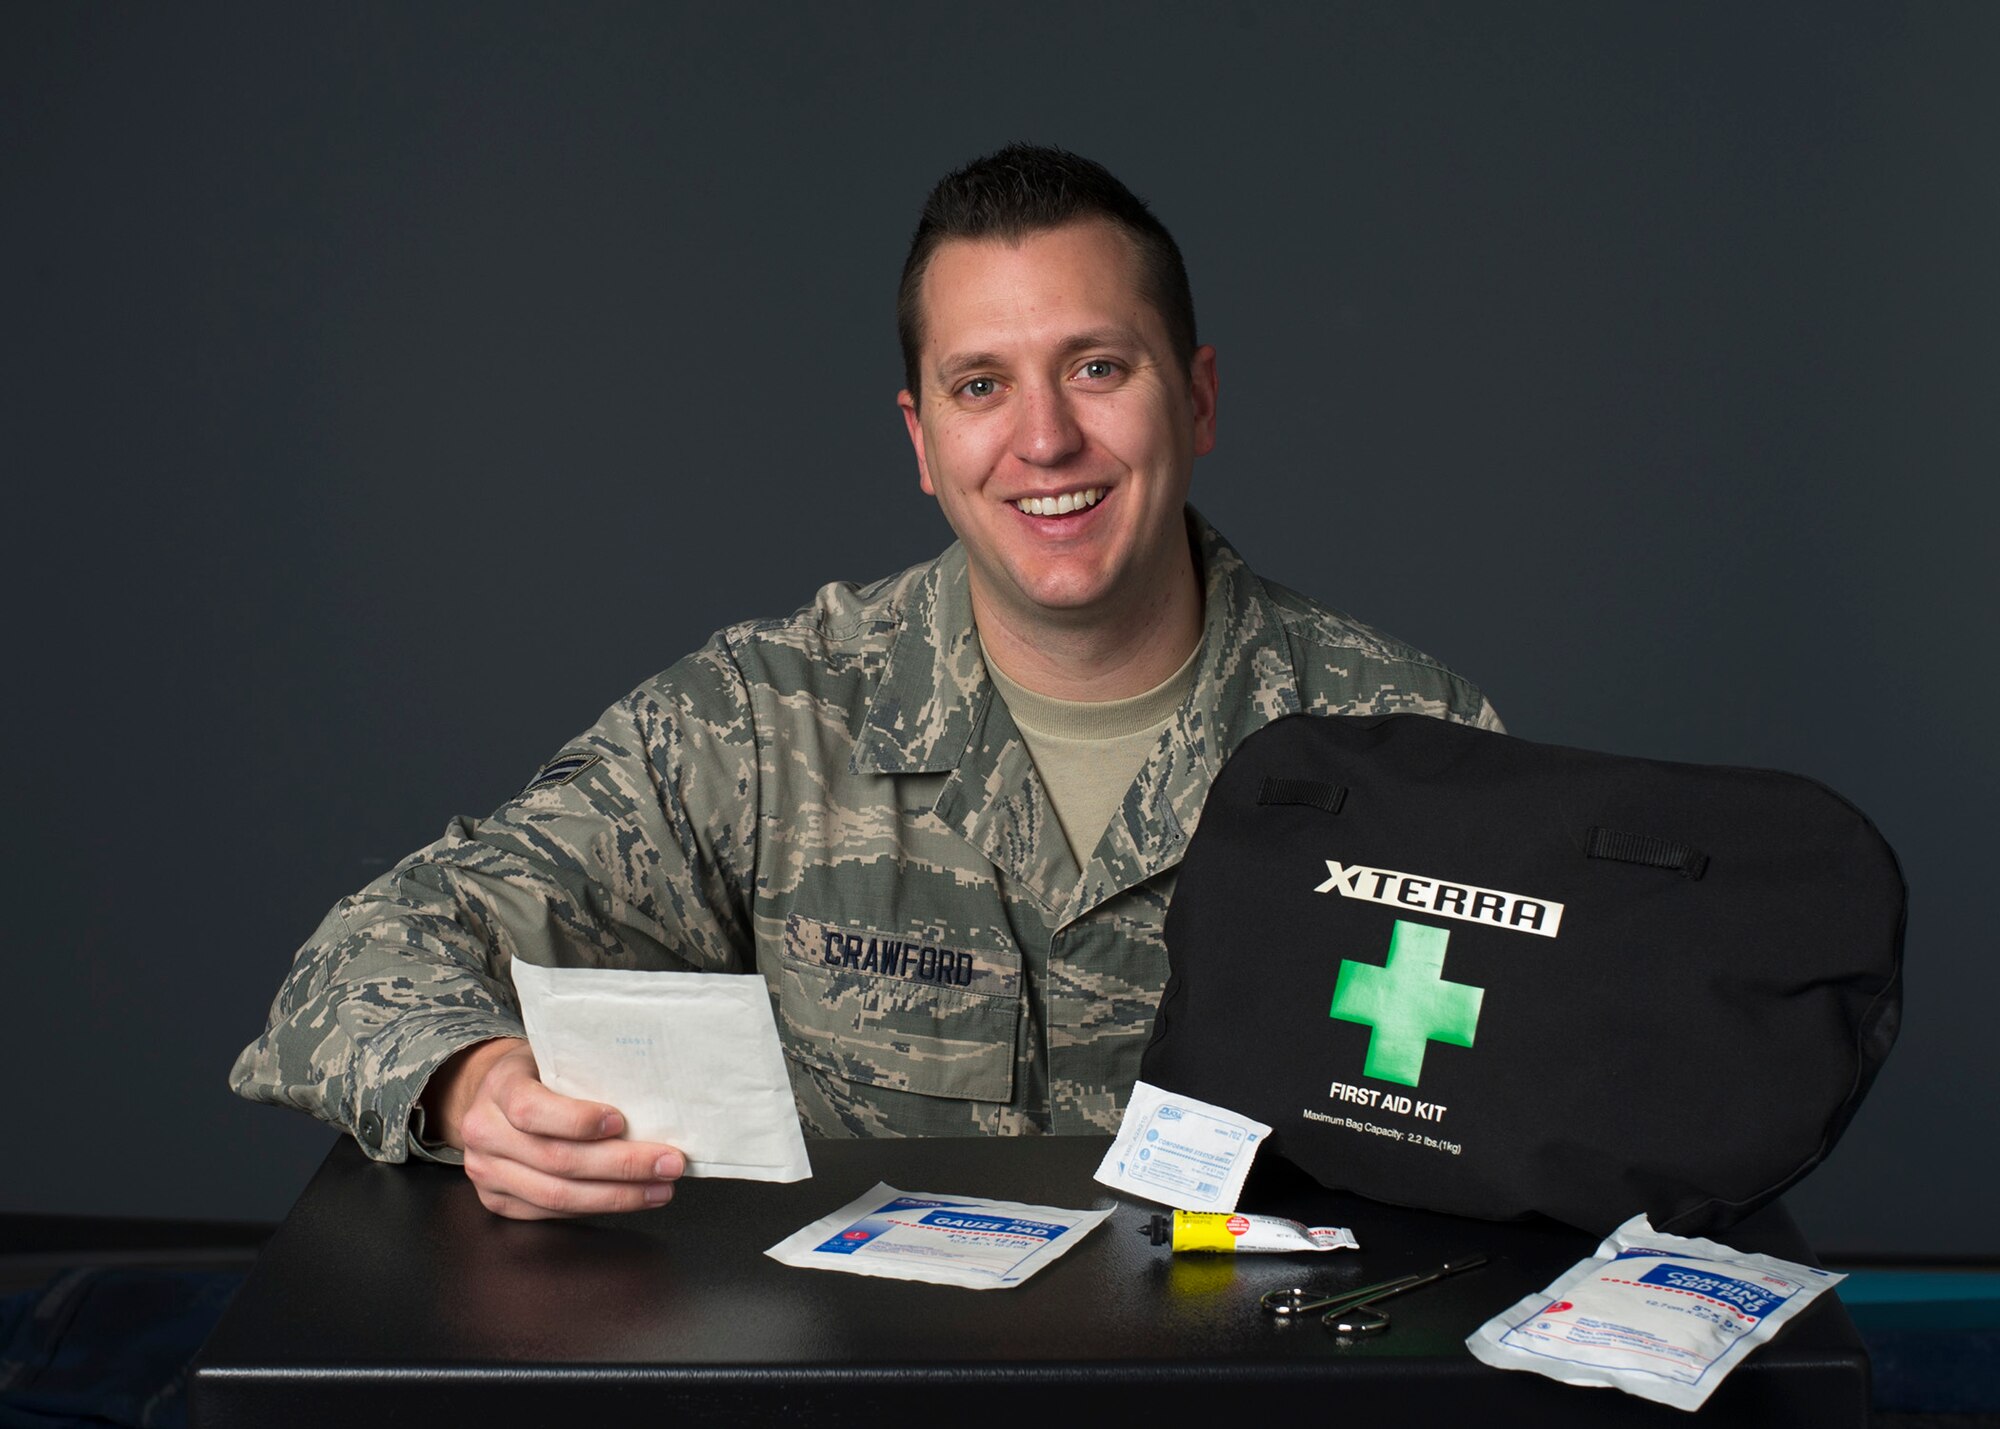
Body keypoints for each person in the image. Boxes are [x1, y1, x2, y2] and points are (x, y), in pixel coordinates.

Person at [231, 144, 1500, 1220]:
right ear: (921, 441)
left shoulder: (1411, 746)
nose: (1045, 438)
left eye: (1097, 367)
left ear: (1199, 397)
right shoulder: (765, 723)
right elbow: (369, 951)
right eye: (980, 385)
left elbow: (1535, 1120)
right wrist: (474, 1085)